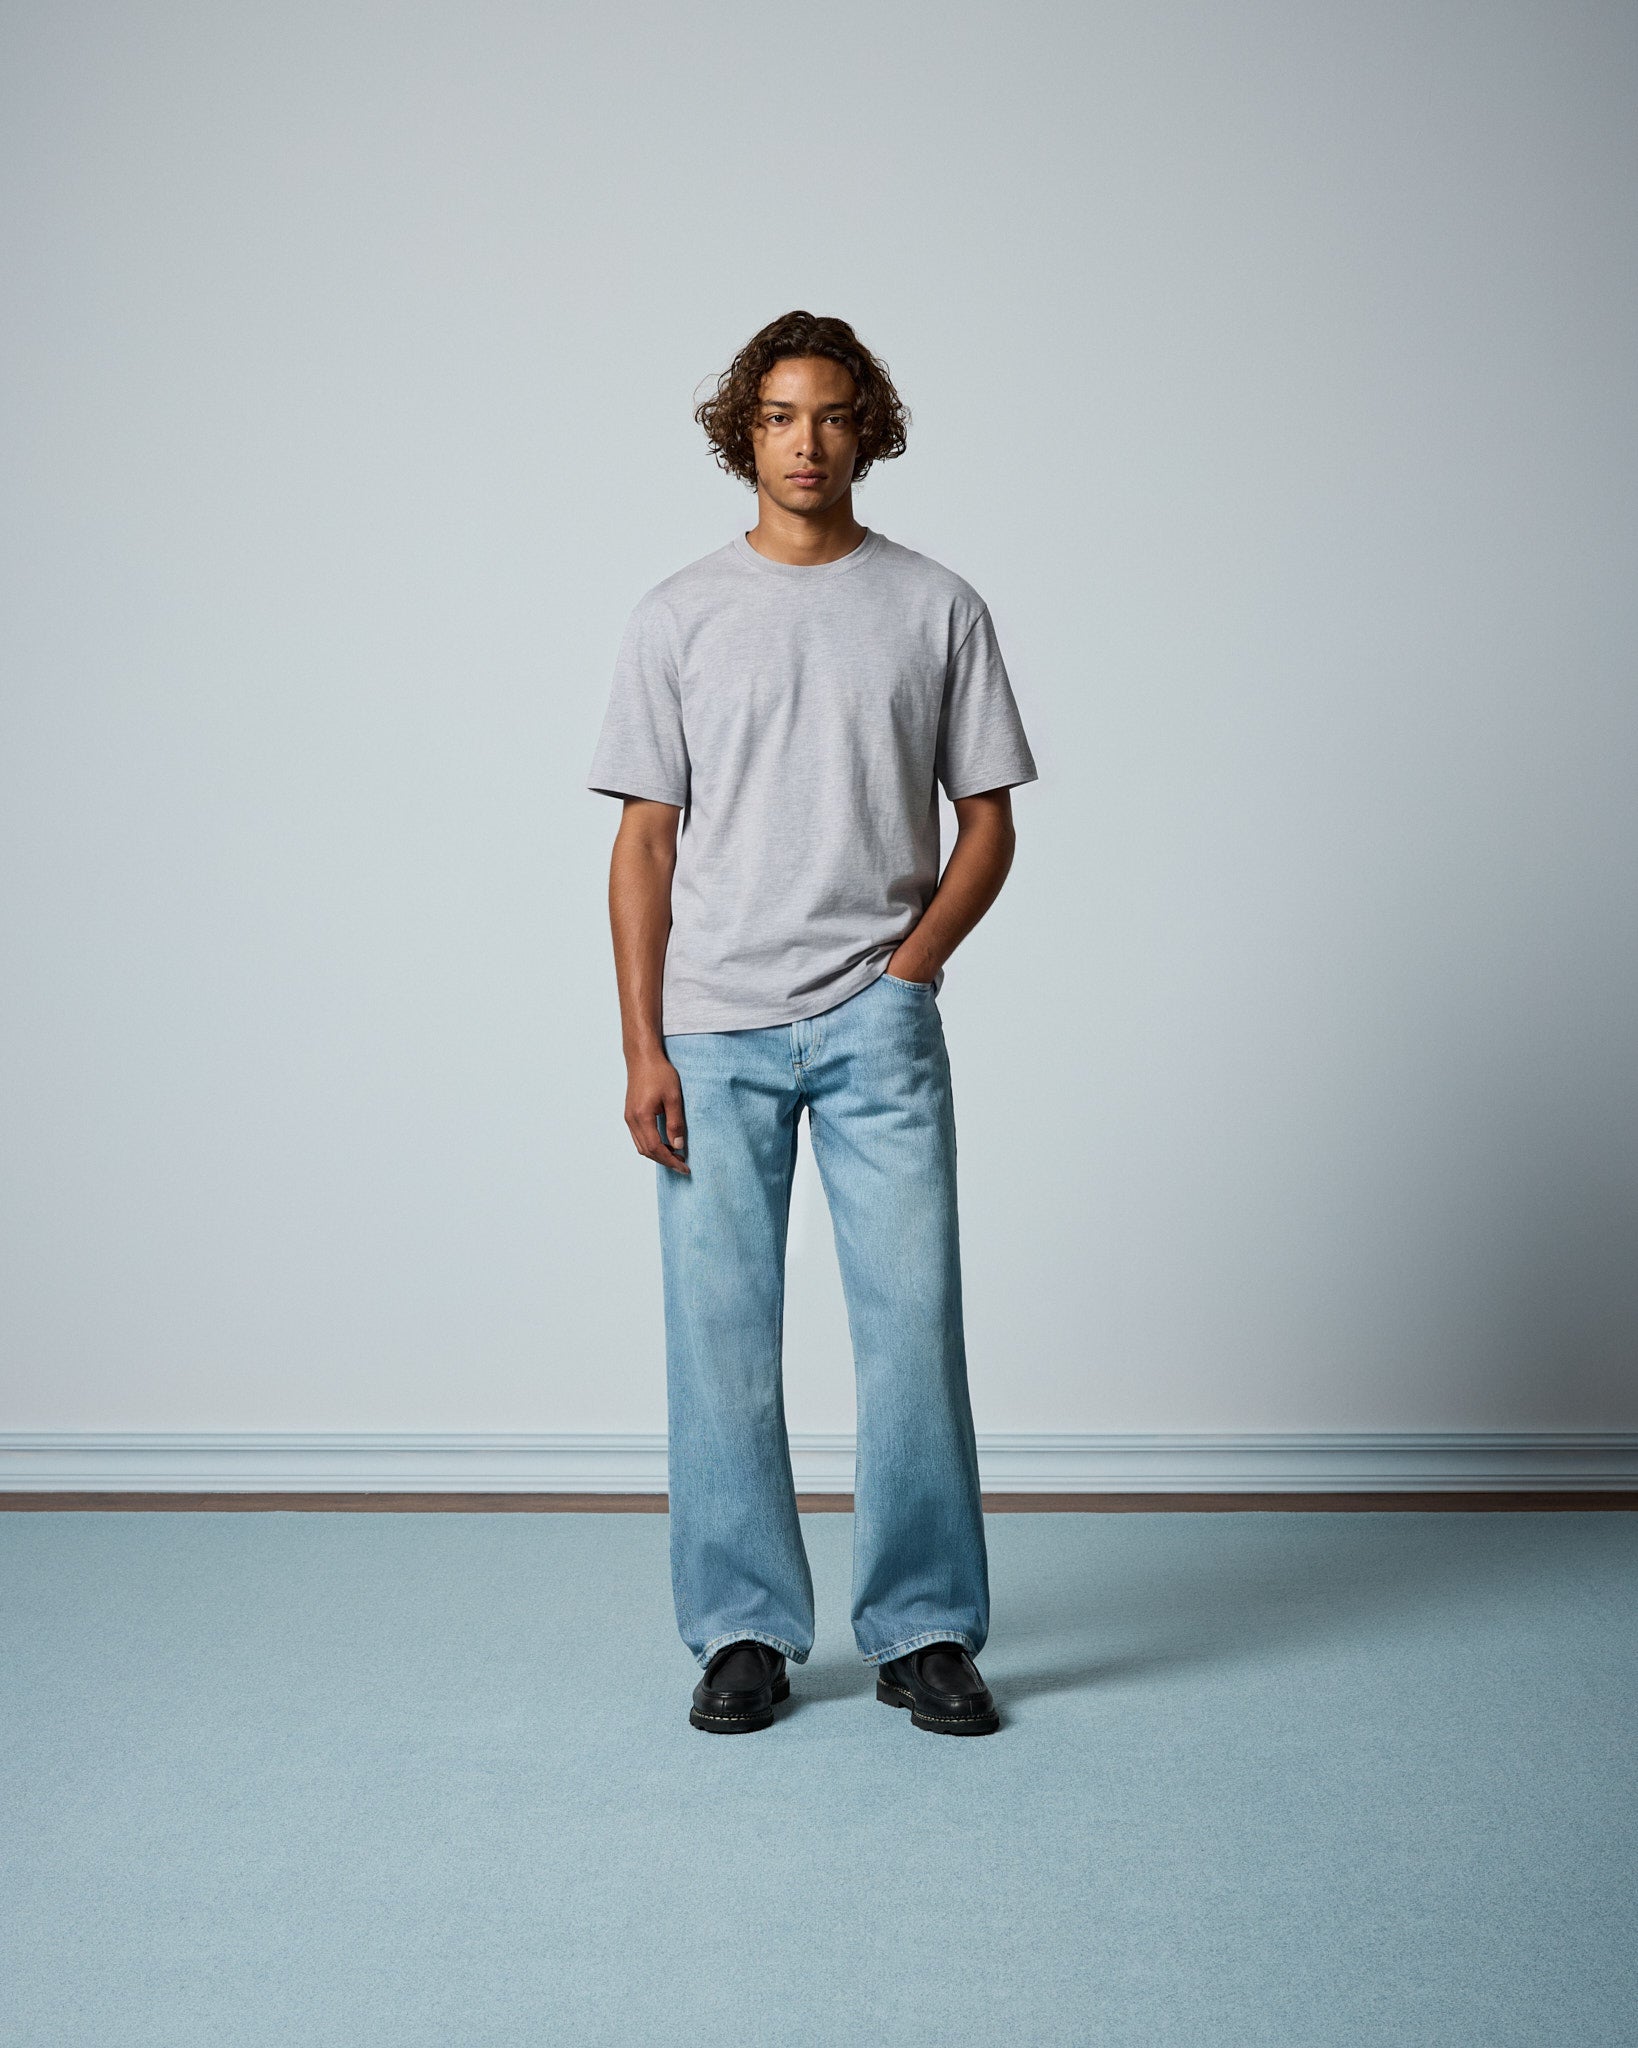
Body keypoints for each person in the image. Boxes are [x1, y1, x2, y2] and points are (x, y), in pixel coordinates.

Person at [585, 310, 1038, 1737]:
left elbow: (987, 821)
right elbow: (643, 843)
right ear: (745, 432)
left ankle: (924, 1631)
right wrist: (642, 1044)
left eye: (833, 415)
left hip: (874, 1024)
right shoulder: (678, 615)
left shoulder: (935, 605)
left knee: (911, 1333)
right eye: (779, 416)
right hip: (712, 1033)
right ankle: (741, 1631)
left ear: (867, 430)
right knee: (720, 1341)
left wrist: (910, 973)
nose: (807, 442)